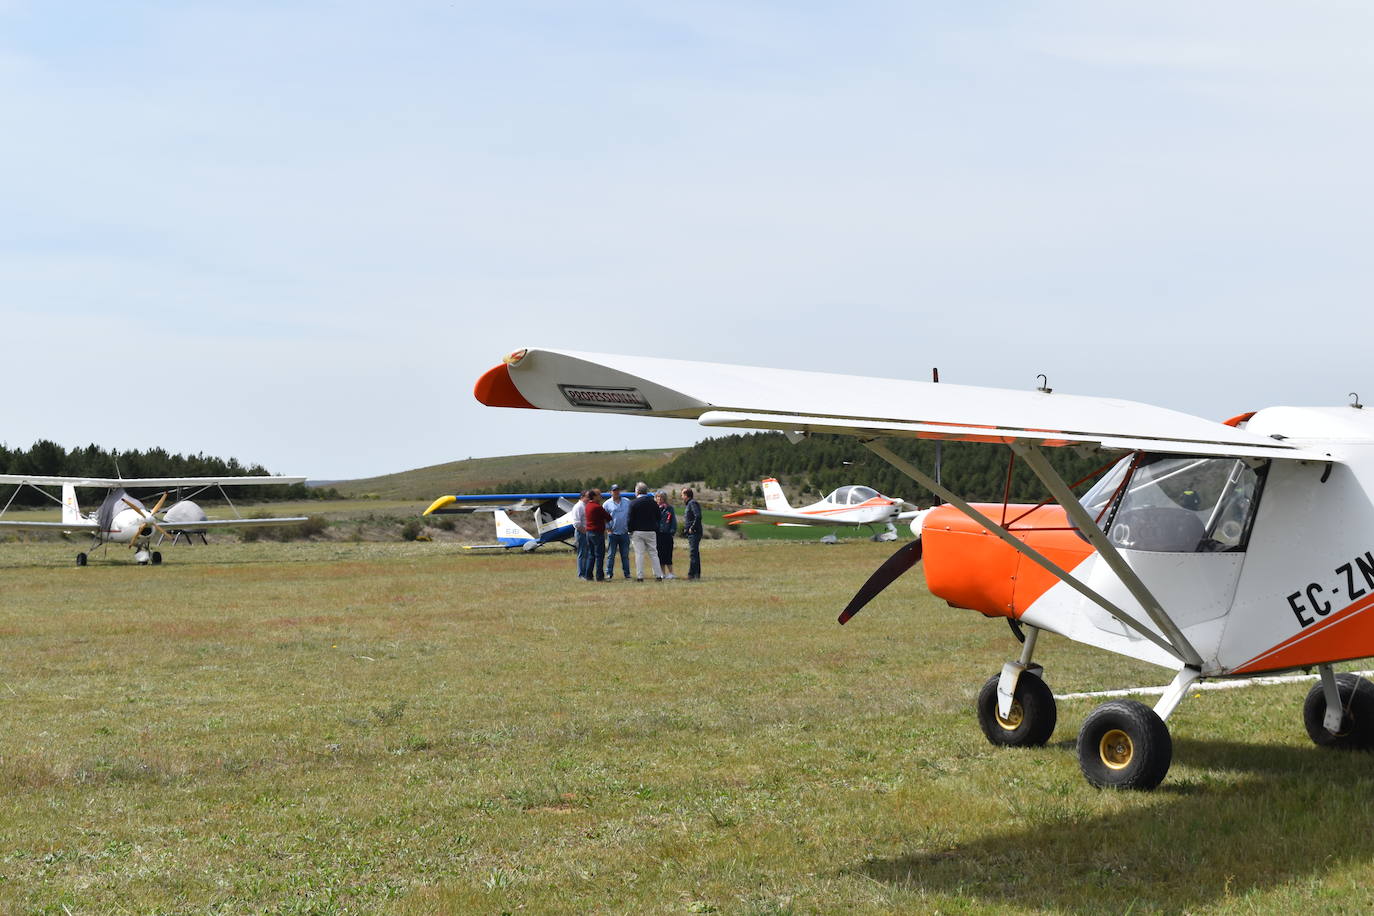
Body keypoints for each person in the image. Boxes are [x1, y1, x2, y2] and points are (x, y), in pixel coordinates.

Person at [628, 482, 664, 581]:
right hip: (651, 531)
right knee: (653, 553)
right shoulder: (653, 503)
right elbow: (659, 517)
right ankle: (658, 575)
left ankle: (640, 576)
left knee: (639, 554)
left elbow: (630, 519)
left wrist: (630, 530)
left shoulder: (633, 503)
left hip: (637, 531)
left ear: (637, 491)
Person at [603, 484, 632, 580]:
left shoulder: (627, 501)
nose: (616, 492)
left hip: (624, 533)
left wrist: (630, 527)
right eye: (614, 490)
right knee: (611, 555)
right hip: (613, 533)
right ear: (610, 492)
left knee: (625, 555)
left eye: (618, 490)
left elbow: (631, 515)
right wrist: (608, 529)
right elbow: (604, 518)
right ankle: (609, 573)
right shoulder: (606, 504)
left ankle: (627, 574)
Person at [584, 489, 609, 581]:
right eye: (598, 495)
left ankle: (588, 575)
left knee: (591, 554)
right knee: (599, 555)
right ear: (594, 496)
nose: (600, 496)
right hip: (597, 533)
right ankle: (599, 576)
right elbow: (608, 517)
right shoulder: (597, 507)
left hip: (588, 533)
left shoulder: (587, 506)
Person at [681, 487, 703, 580]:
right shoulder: (690, 504)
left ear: (686, 495)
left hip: (694, 532)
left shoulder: (692, 503)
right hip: (693, 532)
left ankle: (691, 575)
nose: (681, 496)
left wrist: (691, 528)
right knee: (695, 554)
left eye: (682, 494)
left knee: (693, 553)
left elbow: (698, 516)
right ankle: (696, 574)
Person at [656, 491, 677, 579]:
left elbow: (673, 521)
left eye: (661, 497)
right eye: (658, 497)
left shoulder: (669, 509)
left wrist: (672, 531)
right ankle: (662, 573)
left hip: (667, 535)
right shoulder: (655, 508)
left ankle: (671, 573)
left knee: (668, 554)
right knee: (660, 554)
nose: (659, 499)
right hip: (658, 534)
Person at [572, 490, 590, 579]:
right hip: (581, 533)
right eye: (587, 496)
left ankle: (586, 573)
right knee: (582, 553)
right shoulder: (578, 507)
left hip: (587, 532)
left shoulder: (586, 506)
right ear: (582, 497)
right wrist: (585, 532)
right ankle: (581, 574)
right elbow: (576, 524)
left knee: (587, 554)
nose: (589, 498)